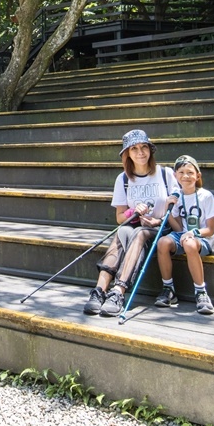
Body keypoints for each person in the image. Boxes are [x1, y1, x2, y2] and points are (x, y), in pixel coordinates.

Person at [82, 130, 180, 317]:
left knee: (139, 233)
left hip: (161, 229)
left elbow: (175, 212)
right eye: (134, 148)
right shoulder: (123, 179)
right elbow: (120, 217)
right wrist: (133, 212)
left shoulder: (166, 174)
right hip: (135, 227)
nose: (140, 152)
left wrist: (157, 220)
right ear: (127, 154)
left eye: (144, 147)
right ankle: (99, 290)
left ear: (150, 150)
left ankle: (119, 291)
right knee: (122, 230)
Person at [155, 154, 214, 315]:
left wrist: (193, 233)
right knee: (162, 242)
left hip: (202, 237)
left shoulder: (206, 196)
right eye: (181, 172)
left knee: (189, 243)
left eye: (190, 172)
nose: (186, 176)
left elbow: (210, 229)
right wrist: (168, 209)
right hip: (182, 236)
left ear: (198, 176)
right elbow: (178, 229)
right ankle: (168, 288)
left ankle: (201, 291)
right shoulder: (177, 197)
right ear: (175, 176)